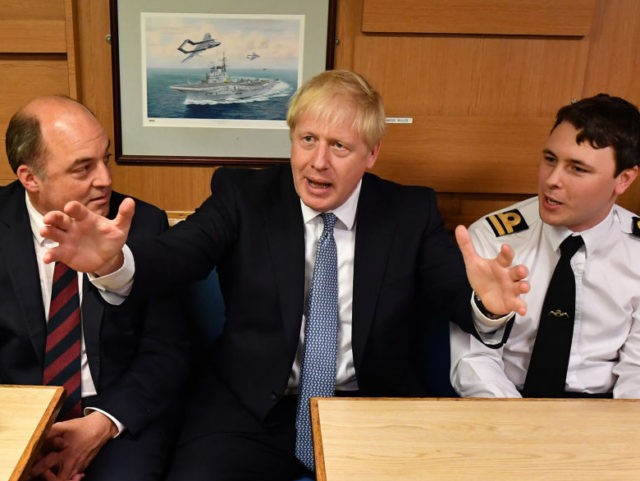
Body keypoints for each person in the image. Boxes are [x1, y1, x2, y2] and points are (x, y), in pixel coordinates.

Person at [40, 70, 528, 480]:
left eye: (340, 146)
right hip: (248, 405)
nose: (318, 162)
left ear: (372, 154)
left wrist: (487, 306)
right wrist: (112, 263)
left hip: (371, 406)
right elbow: (178, 257)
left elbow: (452, 292)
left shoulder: (409, 211)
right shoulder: (243, 195)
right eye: (308, 139)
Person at [0, 96, 190, 481]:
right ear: (30, 177)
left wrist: (102, 423)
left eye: (105, 159)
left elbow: (169, 350)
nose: (105, 179)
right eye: (83, 168)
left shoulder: (142, 224)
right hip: (14, 415)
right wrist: (26, 439)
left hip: (116, 418)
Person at [450, 93, 640, 399]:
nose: (552, 180)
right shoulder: (493, 239)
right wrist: (519, 428)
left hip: (606, 410)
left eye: (577, 169)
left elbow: (637, 375)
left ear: (624, 179)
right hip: (505, 402)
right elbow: (474, 360)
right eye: (550, 159)